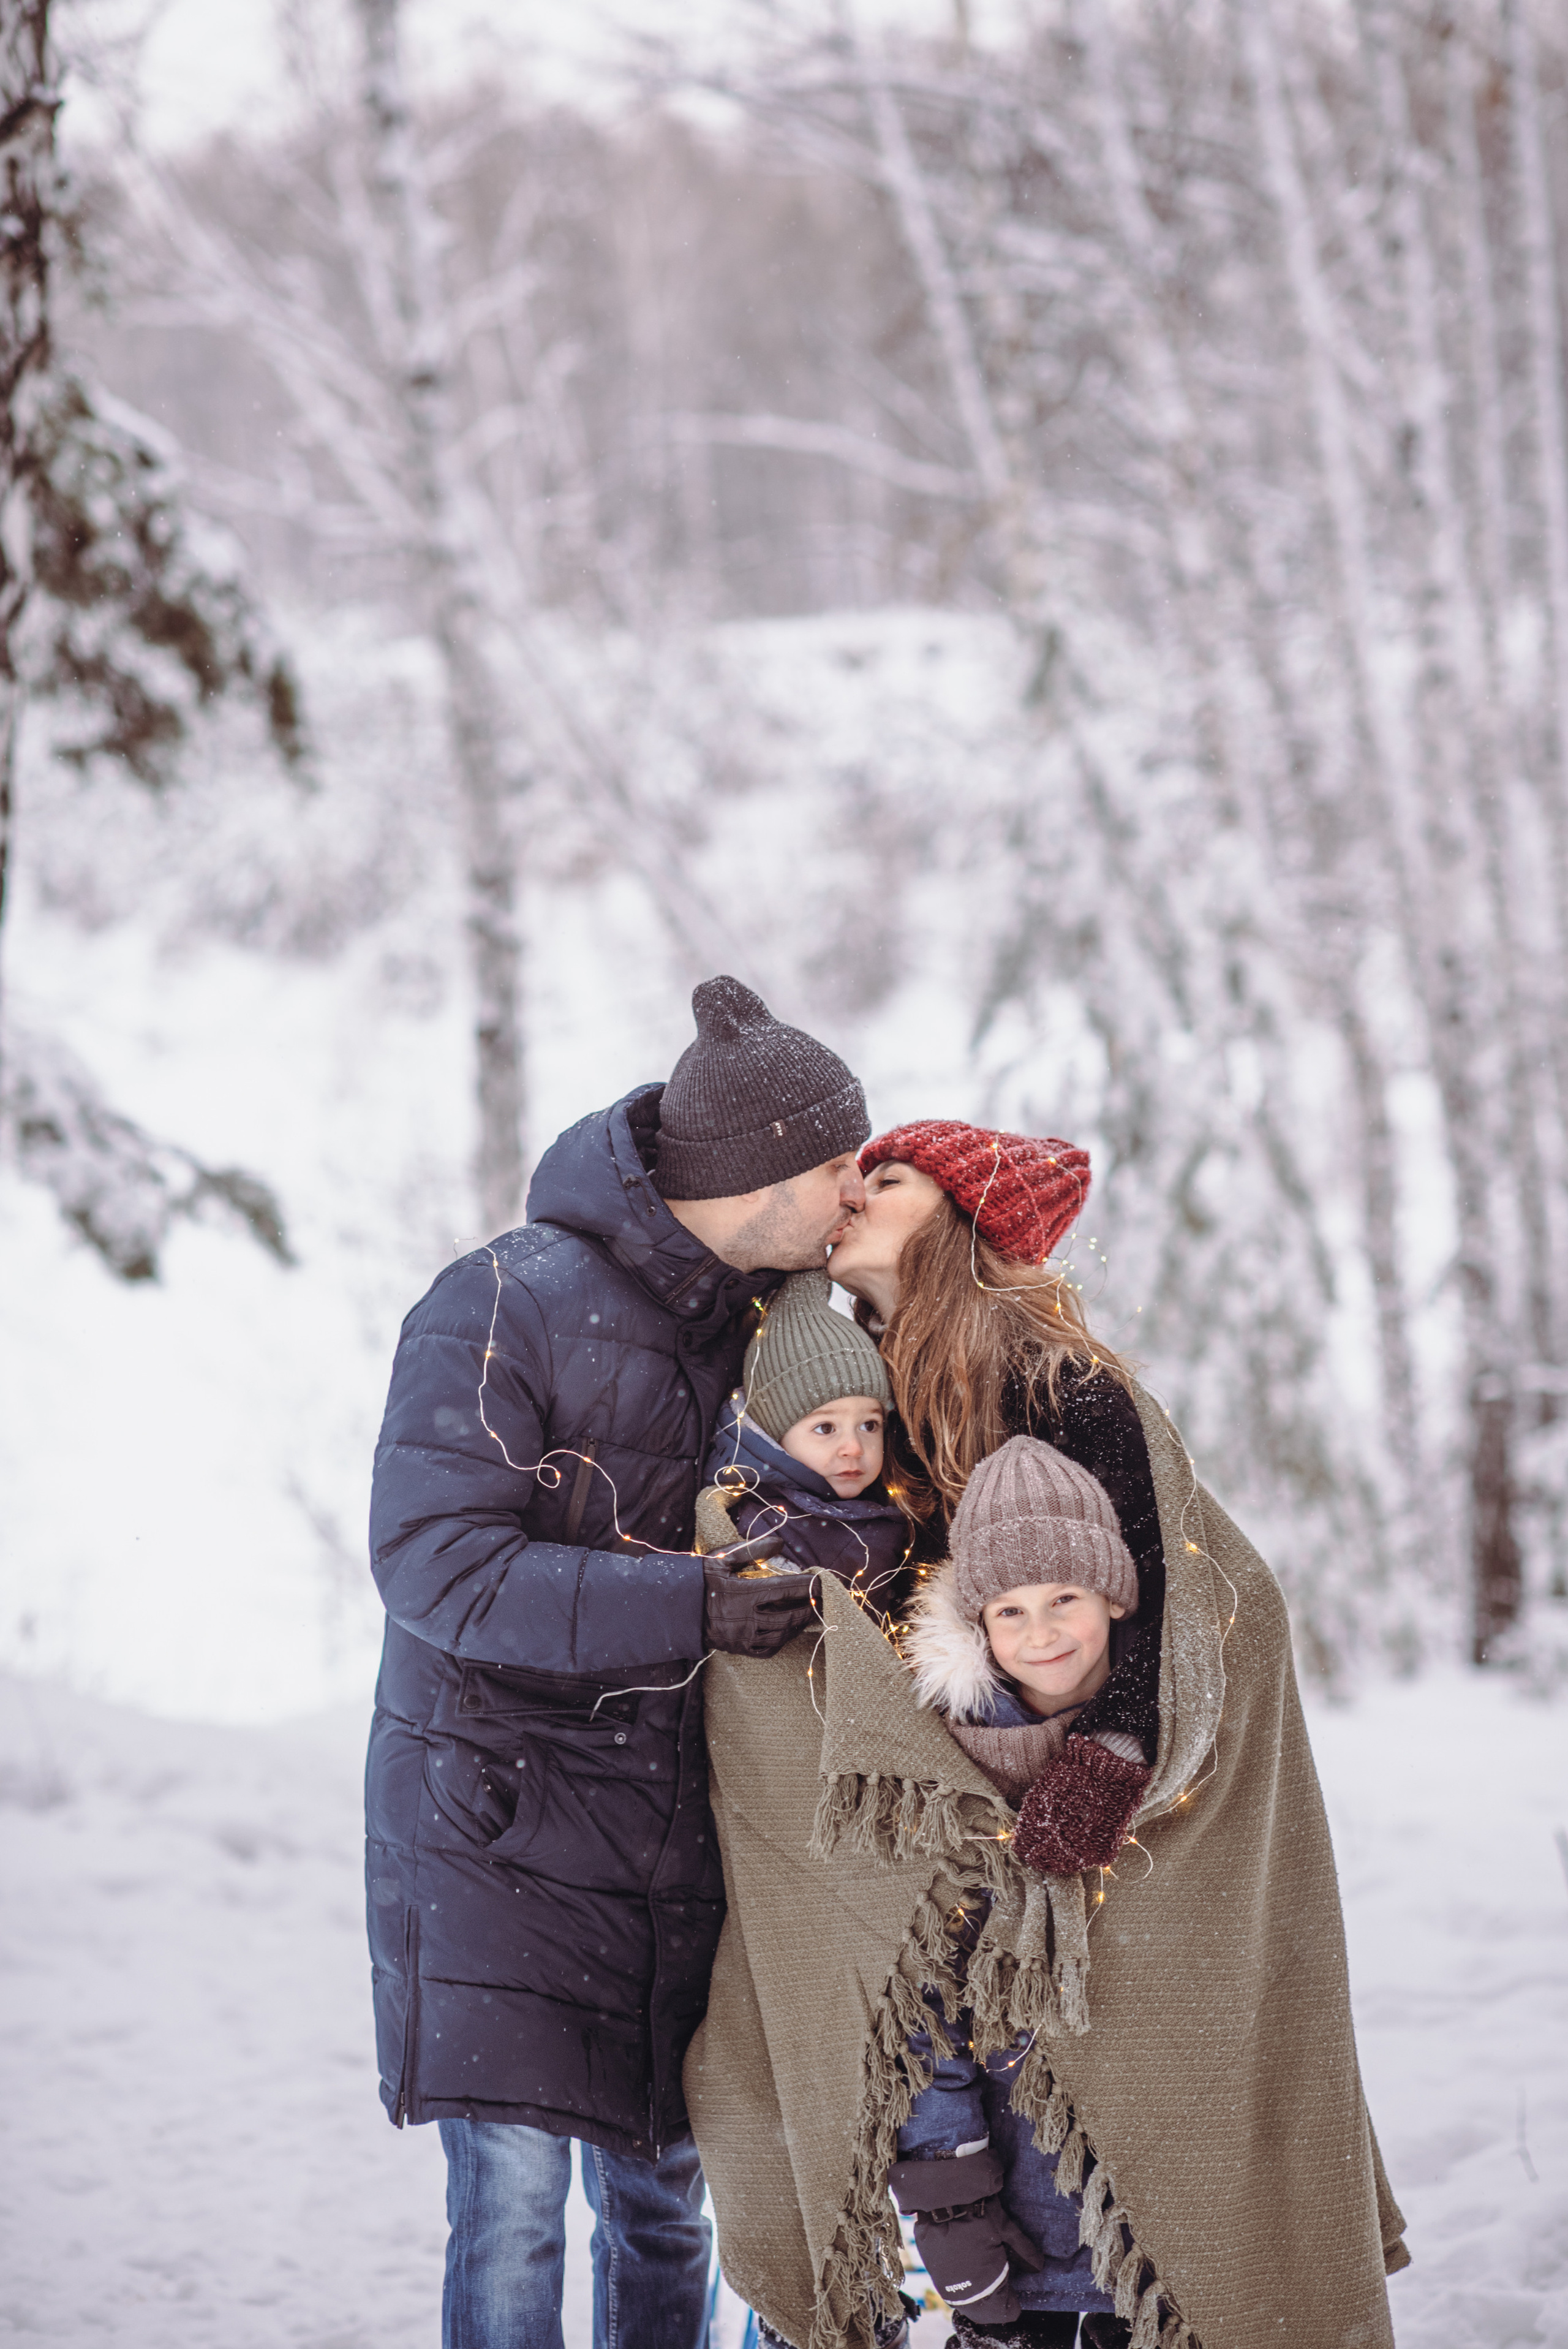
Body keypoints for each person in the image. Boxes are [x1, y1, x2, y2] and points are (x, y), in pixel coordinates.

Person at [684, 1119, 1409, 2349]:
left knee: (1113, 2096)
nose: (856, 1192)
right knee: (958, 2074)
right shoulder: (880, 1385)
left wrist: (1103, 1764)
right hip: (1000, 1775)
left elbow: (1166, 1589)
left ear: (960, 1218)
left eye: (892, 1177)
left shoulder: (1046, 1371)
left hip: (1117, 1789)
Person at [364, 974, 869, 2349]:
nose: (854, 1189)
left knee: (668, 2212)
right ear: (757, 1164)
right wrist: (690, 1608)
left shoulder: (781, 1332)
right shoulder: (496, 1302)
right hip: (502, 1835)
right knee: (516, 2216)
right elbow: (435, 1567)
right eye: (835, 1162)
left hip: (686, 1848)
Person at [693, 1267, 911, 1613]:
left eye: (869, 1425)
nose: (854, 1448)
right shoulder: (764, 1524)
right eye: (825, 1428)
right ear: (772, 1433)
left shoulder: (872, 1503)